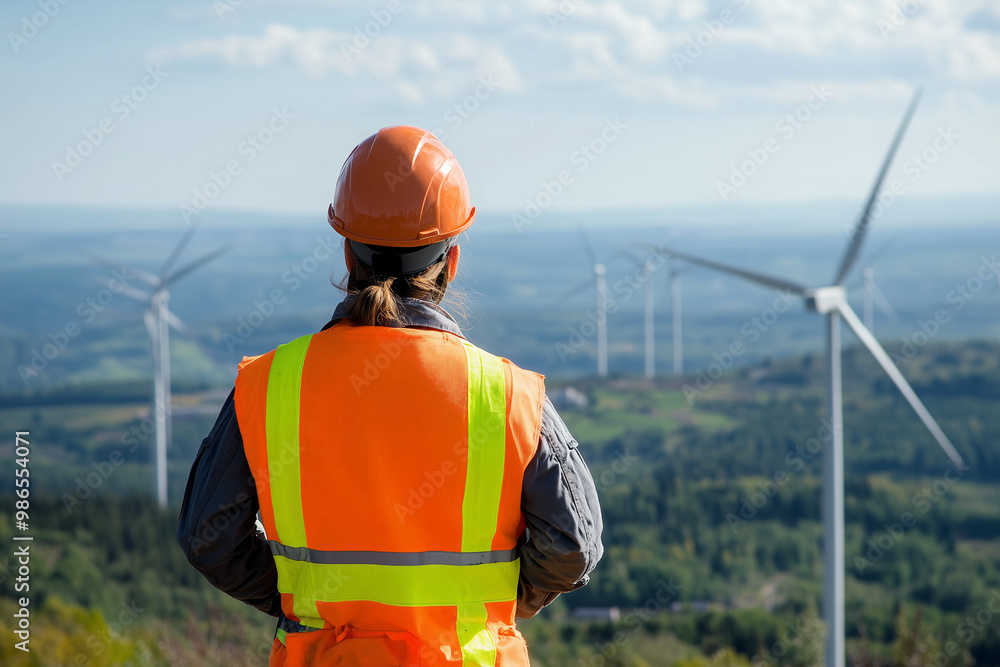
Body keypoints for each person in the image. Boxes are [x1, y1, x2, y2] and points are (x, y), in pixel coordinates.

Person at [176, 125, 603, 666]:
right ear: (450, 263)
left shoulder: (268, 386)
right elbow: (573, 546)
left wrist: (304, 606)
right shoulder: (508, 395)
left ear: (348, 258)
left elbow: (209, 538)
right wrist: (487, 605)